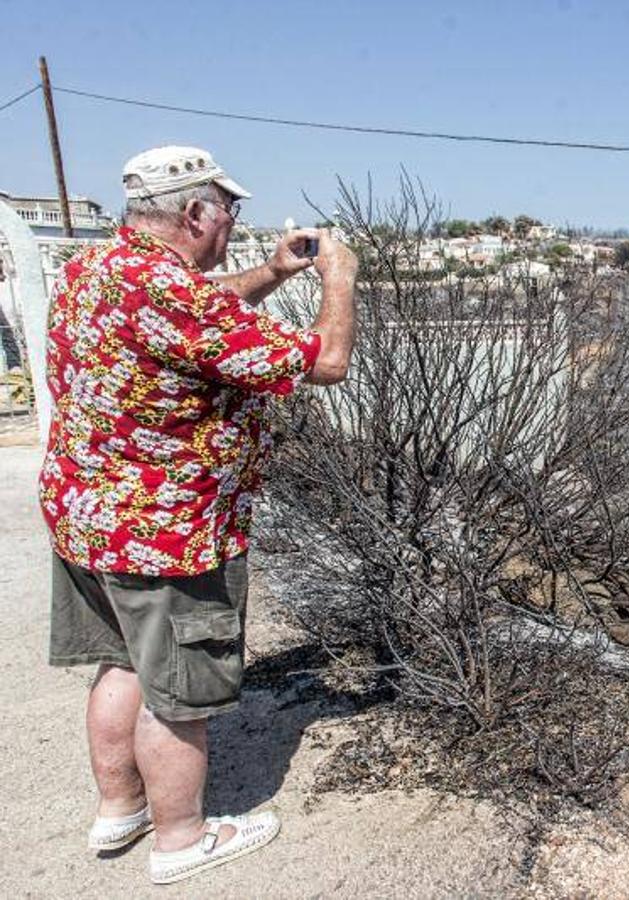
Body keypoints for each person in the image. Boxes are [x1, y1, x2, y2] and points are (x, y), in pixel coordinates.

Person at [41, 145, 357, 884]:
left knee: (120, 662)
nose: (231, 223)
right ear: (194, 213)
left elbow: (194, 313)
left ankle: (120, 809)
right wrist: (337, 278)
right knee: (179, 694)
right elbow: (327, 361)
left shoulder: (98, 270)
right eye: (229, 211)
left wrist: (275, 271)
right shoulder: (181, 297)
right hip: (166, 531)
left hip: (88, 517)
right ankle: (181, 838)